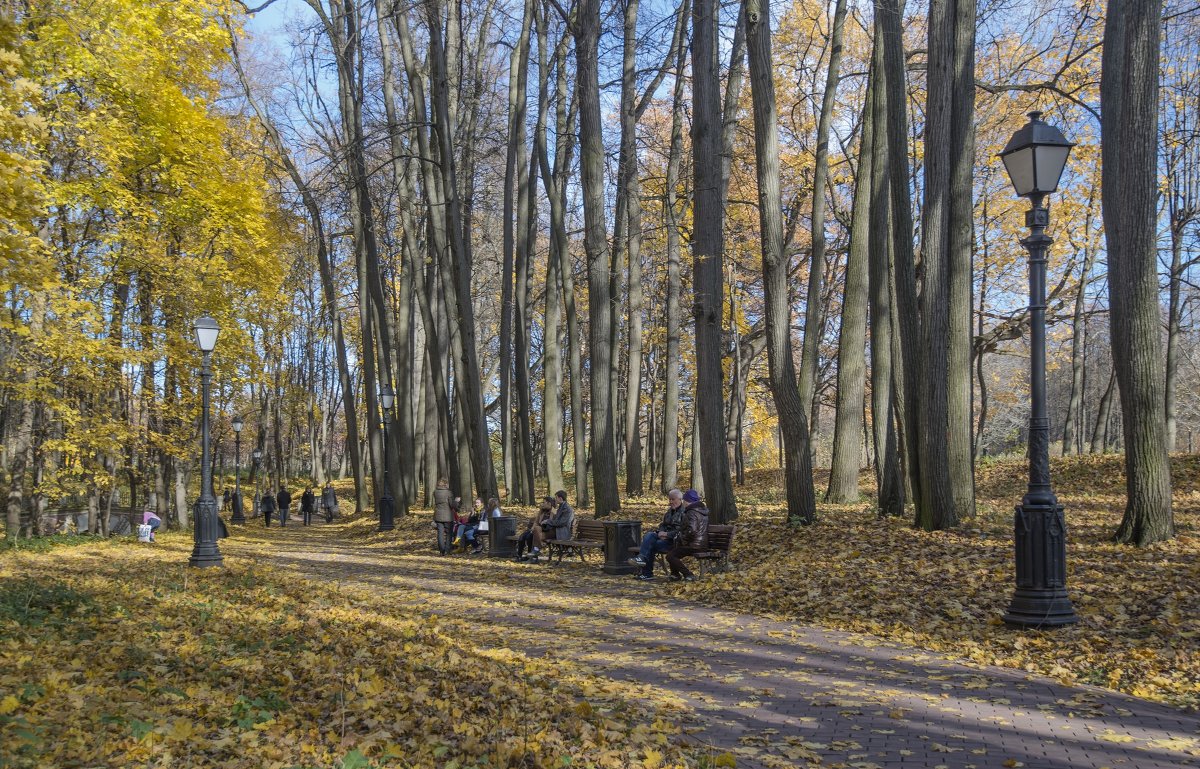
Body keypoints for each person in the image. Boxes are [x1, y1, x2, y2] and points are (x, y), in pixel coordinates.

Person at [632, 489, 685, 580]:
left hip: (675, 541)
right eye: (670, 499)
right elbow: (663, 525)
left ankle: (647, 573)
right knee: (649, 535)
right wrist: (660, 533)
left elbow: (682, 530)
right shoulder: (669, 512)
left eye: (673, 499)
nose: (671, 502)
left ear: (680, 499)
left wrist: (667, 534)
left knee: (652, 545)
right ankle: (642, 558)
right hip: (664, 538)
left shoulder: (684, 512)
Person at [665, 489, 708, 582]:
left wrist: (682, 537)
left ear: (687, 501)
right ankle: (675, 574)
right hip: (701, 543)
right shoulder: (701, 511)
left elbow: (692, 530)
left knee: (670, 555)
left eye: (684, 500)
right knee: (674, 549)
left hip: (694, 545)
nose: (683, 502)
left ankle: (688, 574)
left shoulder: (691, 512)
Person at [516, 497, 555, 561]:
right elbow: (536, 522)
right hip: (536, 530)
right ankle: (519, 556)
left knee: (529, 537)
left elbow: (551, 525)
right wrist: (532, 529)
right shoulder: (542, 511)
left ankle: (531, 556)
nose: (542, 504)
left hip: (543, 531)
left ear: (549, 503)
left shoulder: (554, 512)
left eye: (544, 502)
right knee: (522, 537)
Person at [433, 478, 454, 554]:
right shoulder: (448, 493)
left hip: (438, 515)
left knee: (440, 533)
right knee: (449, 533)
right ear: (445, 484)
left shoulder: (435, 492)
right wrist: (457, 503)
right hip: (448, 516)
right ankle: (447, 550)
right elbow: (451, 504)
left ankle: (442, 549)